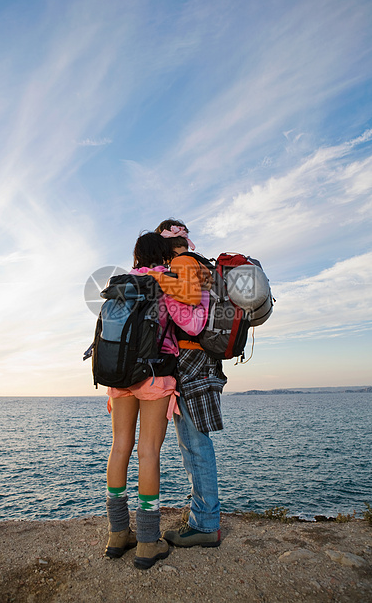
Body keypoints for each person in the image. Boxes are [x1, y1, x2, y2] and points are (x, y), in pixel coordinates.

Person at [105, 232, 209, 569]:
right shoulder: (166, 281)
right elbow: (190, 324)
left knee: (120, 447)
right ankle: (148, 543)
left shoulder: (121, 282)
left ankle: (118, 535)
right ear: (163, 255)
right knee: (149, 452)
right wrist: (200, 288)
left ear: (136, 255)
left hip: (118, 374)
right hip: (154, 374)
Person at [154, 219, 227, 548]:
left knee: (194, 443)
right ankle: (203, 516)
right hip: (204, 360)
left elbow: (190, 319)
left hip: (192, 359)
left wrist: (158, 280)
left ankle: (206, 524)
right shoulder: (200, 264)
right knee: (194, 442)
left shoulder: (183, 265)